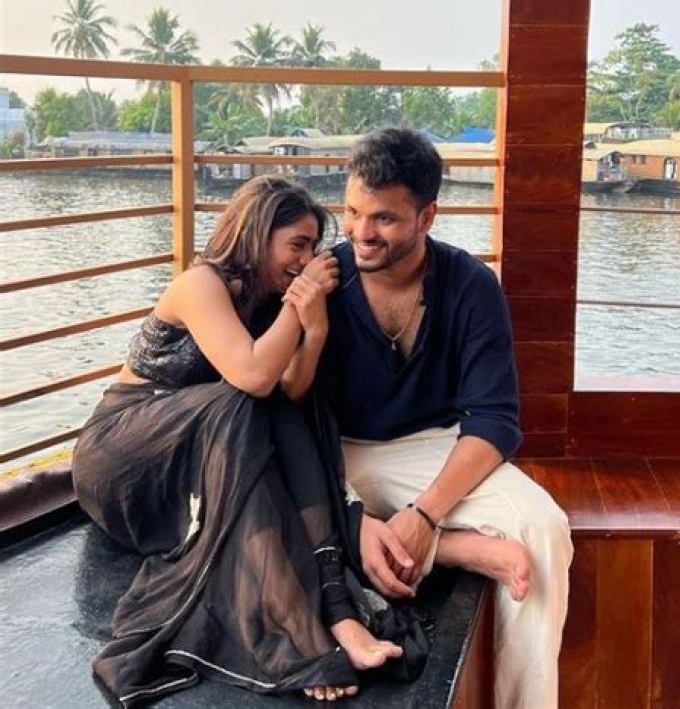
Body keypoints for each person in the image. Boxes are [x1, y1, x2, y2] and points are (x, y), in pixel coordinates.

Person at [71, 175, 411, 706]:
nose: (305, 261)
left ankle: (335, 606)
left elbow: (290, 393)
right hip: (123, 460)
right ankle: (296, 628)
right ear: (257, 233)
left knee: (278, 409)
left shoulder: (267, 300)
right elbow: (252, 376)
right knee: (244, 399)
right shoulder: (200, 284)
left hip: (190, 463)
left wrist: (315, 329)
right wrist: (299, 305)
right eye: (296, 245)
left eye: (312, 248)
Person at [322, 128, 574, 708]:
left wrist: (424, 515)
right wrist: (354, 516)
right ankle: (455, 548)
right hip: (332, 451)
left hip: (431, 448)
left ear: (427, 216)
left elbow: (495, 420)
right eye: (353, 212)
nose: (361, 232)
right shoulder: (324, 281)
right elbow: (283, 414)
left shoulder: (470, 285)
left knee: (543, 530)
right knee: (261, 498)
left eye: (384, 218)